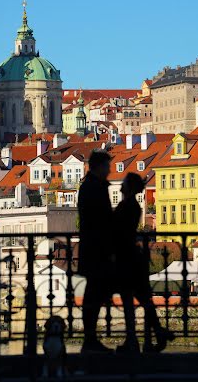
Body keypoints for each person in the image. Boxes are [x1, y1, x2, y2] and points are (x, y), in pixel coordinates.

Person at [113, 172, 175, 353]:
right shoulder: (133, 206)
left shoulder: (127, 206)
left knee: (129, 300)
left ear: (130, 187)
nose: (121, 186)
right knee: (142, 299)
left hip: (126, 258)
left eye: (124, 183)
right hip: (133, 257)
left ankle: (134, 340)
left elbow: (118, 230)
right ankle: (156, 333)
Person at [78, 149, 114, 353]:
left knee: (94, 294)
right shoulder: (94, 187)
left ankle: (90, 339)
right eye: (107, 166)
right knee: (94, 294)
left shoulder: (90, 185)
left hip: (92, 247)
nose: (110, 170)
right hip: (96, 248)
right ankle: (90, 339)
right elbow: (101, 218)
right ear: (99, 167)